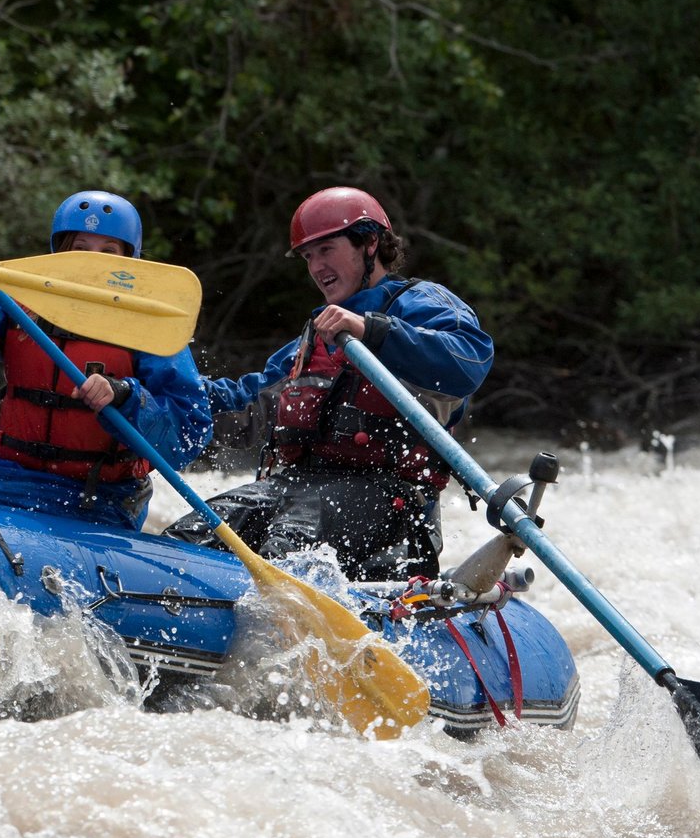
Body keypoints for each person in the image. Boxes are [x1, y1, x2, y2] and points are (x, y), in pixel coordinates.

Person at [177, 186, 493, 578]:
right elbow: (247, 403)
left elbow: (469, 359)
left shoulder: (420, 303)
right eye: (309, 256)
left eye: (327, 249)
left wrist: (372, 331)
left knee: (283, 550)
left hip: (388, 500)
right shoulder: (315, 338)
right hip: (295, 486)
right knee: (186, 540)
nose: (316, 267)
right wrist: (159, 389)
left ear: (370, 244)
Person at [0, 191, 211, 528]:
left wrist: (126, 396)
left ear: (129, 260)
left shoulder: (149, 327)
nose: (92, 261)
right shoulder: (22, 301)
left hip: (98, 494)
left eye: (108, 252)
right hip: (9, 473)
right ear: (61, 252)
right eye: (80, 249)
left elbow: (190, 434)